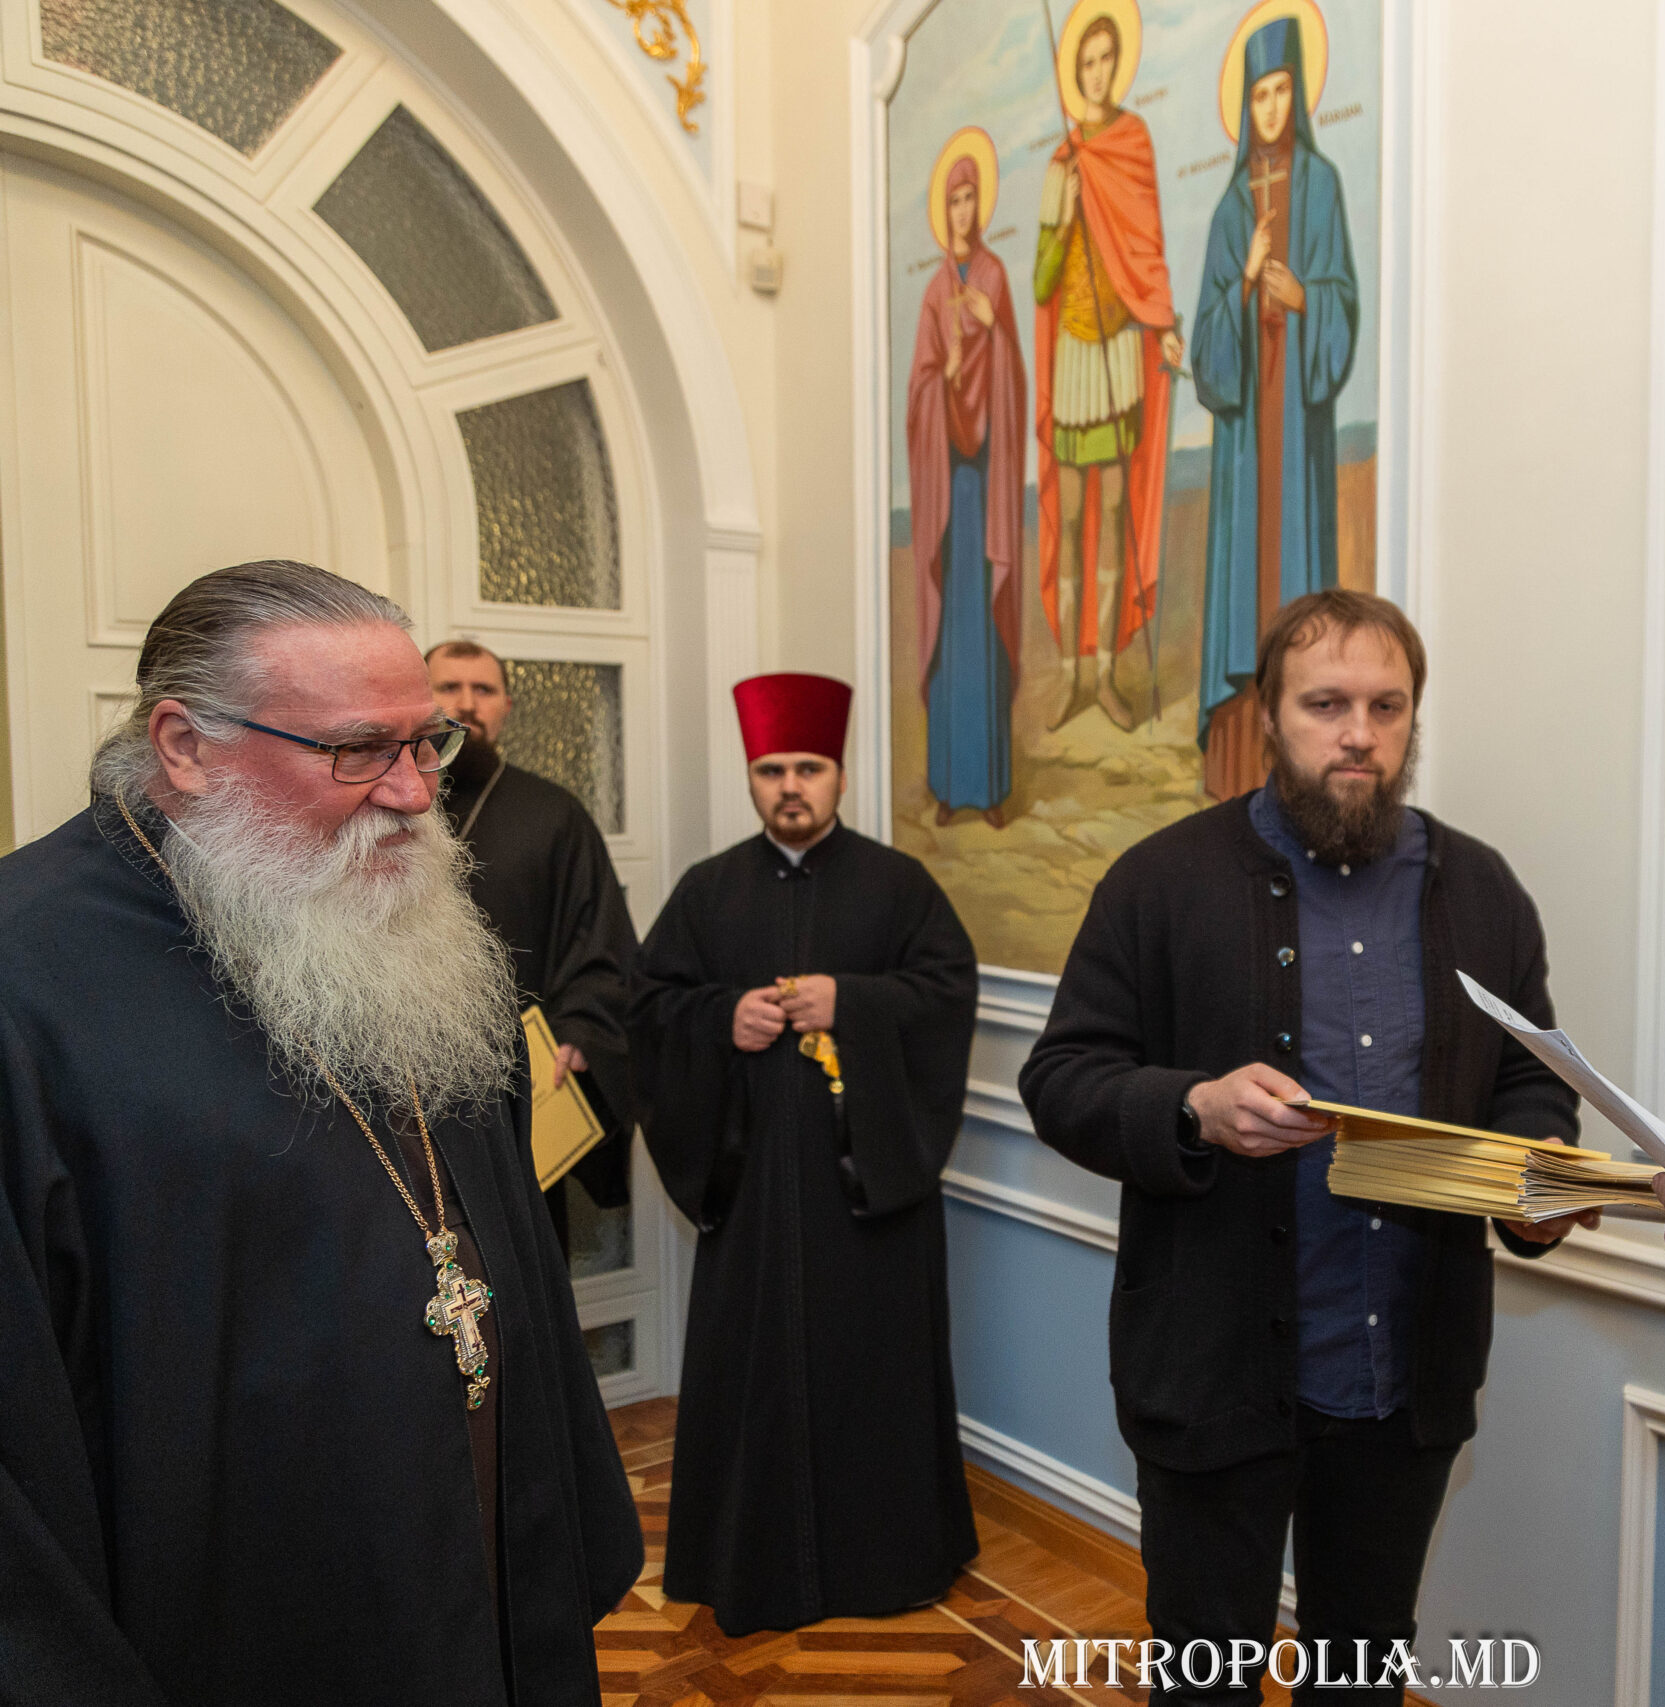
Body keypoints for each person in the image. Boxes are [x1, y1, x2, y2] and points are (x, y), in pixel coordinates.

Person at [0, 560, 640, 1703]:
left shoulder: (397, 908)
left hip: (476, 1524)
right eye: (358, 751)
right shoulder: (23, 979)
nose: (414, 793)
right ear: (185, 747)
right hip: (247, 1607)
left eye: (426, 744)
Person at [1021, 590, 1589, 1704]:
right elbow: (1061, 1078)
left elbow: (1528, 1077)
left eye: (1386, 706)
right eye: (1326, 704)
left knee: (1363, 1664)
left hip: (1404, 1376)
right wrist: (1194, 1107)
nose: (1358, 734)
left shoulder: (1483, 890)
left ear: (1413, 718)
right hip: (1211, 1366)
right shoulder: (1159, 881)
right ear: (1268, 719)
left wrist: (1537, 1169)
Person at [636, 671, 980, 1634]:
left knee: (875, 1374)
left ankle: (888, 1564)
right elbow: (649, 1006)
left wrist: (852, 1002)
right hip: (752, 1188)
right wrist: (722, 1016)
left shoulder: (900, 885)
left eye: (810, 767)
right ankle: (747, 1557)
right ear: (752, 777)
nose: (791, 785)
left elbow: (948, 992)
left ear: (840, 774)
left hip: (866, 1194)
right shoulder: (708, 890)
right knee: (754, 1371)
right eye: (772, 769)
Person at [427, 637, 643, 1253]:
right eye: (448, 688)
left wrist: (582, 1029)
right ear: (419, 700)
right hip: (395, 1086)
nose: (467, 703)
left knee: (521, 1258)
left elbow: (600, 941)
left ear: (506, 707)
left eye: (484, 689)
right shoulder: (386, 801)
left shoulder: (553, 814)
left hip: (516, 1093)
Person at [1193, 11, 1358, 801]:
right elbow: (1206, 350)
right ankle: (1240, 769)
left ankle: (1305, 765)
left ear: (1298, 96)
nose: (1271, 107)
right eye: (1259, 94)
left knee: (1295, 584)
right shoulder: (1231, 209)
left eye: (1282, 90)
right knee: (1247, 591)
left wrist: (1304, 299)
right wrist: (1241, 283)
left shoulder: (1321, 186)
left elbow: (1343, 304)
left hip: (1295, 432)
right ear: (1245, 104)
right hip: (1245, 445)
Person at [1034, 3, 1182, 732]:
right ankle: (1074, 676)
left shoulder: (1133, 141)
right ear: (1075, 71)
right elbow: (1041, 282)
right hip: (1073, 356)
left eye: (1105, 61)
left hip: (1121, 348)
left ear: (1118, 66)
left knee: (1116, 511)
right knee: (1070, 516)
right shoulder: (1061, 163)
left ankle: (1111, 674)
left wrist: (1166, 322)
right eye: (1085, 63)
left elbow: (1146, 243)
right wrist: (1062, 218)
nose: (1096, 75)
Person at [909, 137, 1028, 829]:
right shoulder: (933, 292)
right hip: (948, 485)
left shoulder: (994, 277)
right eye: (952, 200)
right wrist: (945, 377)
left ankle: (990, 789)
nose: (961, 210)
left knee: (982, 624)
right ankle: (952, 788)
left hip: (984, 484)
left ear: (980, 204)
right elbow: (919, 394)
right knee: (954, 631)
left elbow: (1013, 377)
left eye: (969, 198)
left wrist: (992, 333)